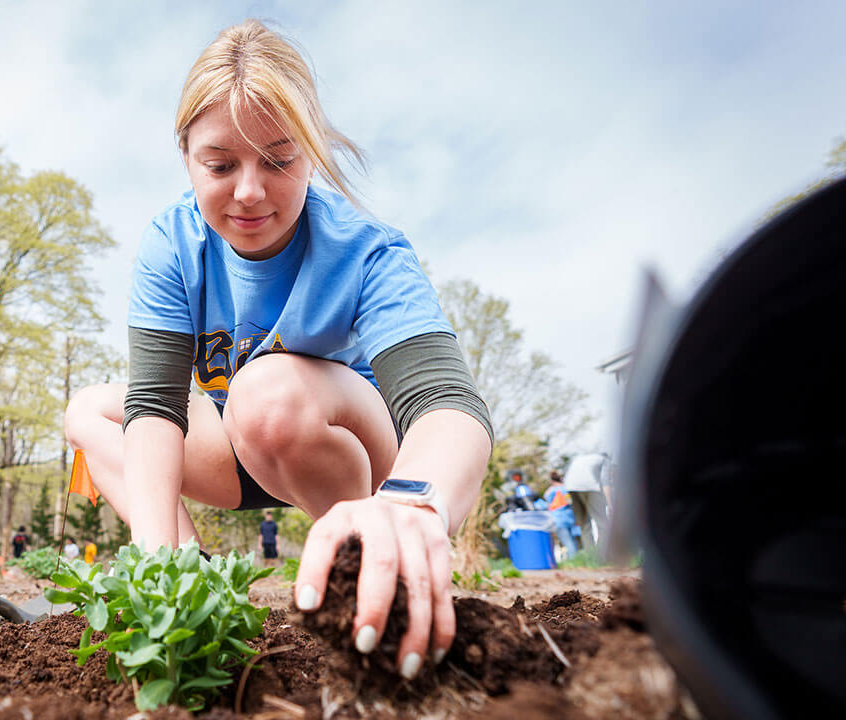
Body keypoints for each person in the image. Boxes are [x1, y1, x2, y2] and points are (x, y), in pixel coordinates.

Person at [63, 19, 493, 681]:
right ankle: (190, 579)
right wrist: (155, 569)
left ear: (312, 154)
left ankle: (366, 562)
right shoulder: (172, 244)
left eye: (279, 159)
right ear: (186, 158)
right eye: (220, 164)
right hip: (238, 447)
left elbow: (446, 404)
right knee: (89, 411)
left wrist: (413, 505)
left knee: (265, 396)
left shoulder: (366, 250)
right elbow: (155, 406)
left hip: (347, 450)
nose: (249, 192)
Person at [541, 470, 580, 558]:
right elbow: (570, 502)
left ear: (551, 480)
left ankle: (574, 560)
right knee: (574, 540)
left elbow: (547, 502)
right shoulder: (565, 489)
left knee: (567, 541)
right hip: (570, 516)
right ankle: (578, 559)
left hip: (558, 518)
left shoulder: (550, 491)